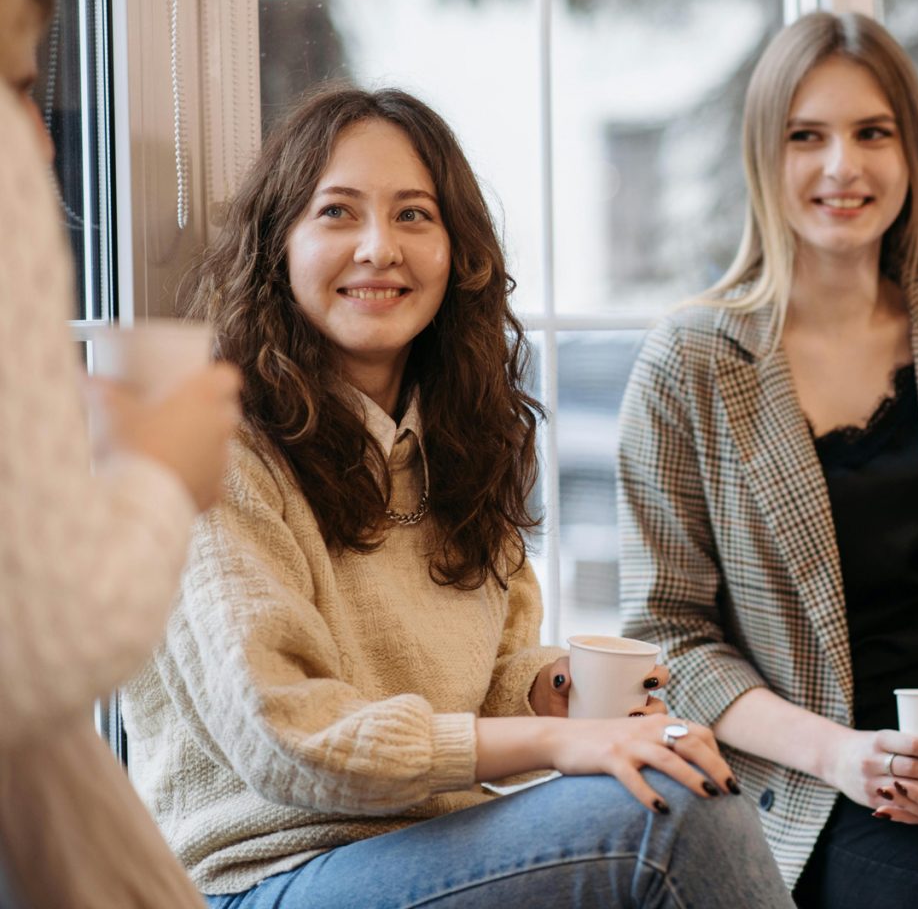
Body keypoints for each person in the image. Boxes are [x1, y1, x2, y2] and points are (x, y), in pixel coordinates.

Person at [122, 83, 795, 908]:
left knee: (685, 772)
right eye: (338, 212)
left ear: (457, 251)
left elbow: (494, 674)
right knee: (672, 818)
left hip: (431, 845)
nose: (379, 248)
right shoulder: (219, 450)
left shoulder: (460, 443)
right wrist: (560, 741)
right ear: (279, 247)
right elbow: (289, 740)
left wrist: (557, 690)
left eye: (414, 215)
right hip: (261, 878)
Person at [618, 9, 918, 908]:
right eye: (809, 136)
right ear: (769, 157)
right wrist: (842, 754)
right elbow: (669, 636)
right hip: (819, 785)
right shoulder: (689, 364)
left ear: (910, 152)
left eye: (871, 133)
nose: (843, 165)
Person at [0, 0, 240, 905]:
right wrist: (158, 474)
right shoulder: (237, 429)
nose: (40, 144)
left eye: (417, 214)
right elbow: (41, 643)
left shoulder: (460, 437)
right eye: (18, 81)